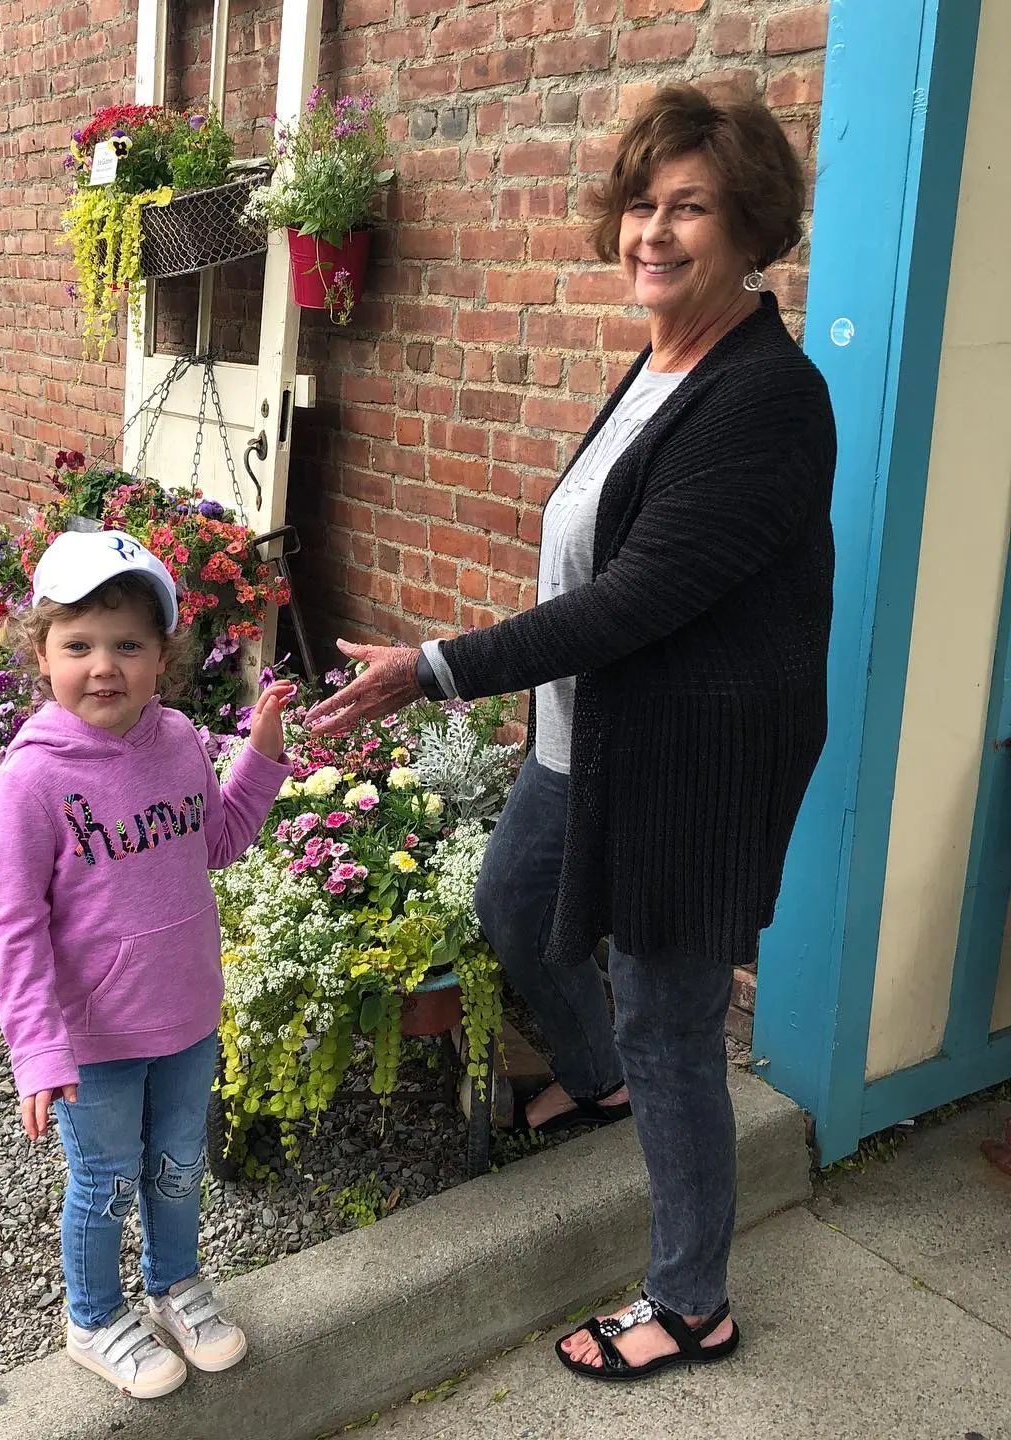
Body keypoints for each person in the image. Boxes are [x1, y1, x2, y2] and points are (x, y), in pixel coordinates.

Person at [306, 84, 835, 1382]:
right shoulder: (664, 360)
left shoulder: (767, 395)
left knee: (672, 1024)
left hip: (687, 773)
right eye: (644, 203)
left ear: (749, 226)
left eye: (691, 206)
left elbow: (634, 601)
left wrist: (433, 668)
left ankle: (690, 1298)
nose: (655, 231)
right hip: (584, 744)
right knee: (511, 902)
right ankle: (595, 1083)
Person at [0, 528, 293, 1399]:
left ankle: (174, 1285)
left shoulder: (180, 741)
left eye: (128, 644)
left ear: (165, 656)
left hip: (186, 1014)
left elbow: (218, 842)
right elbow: (15, 930)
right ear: (40, 653)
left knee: (178, 1164)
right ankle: (92, 1316)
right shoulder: (30, 783)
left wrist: (261, 755)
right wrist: (38, 1053)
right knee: (106, 1182)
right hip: (96, 1041)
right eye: (78, 645)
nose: (104, 666)